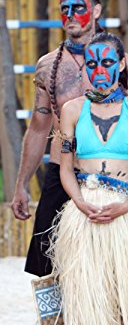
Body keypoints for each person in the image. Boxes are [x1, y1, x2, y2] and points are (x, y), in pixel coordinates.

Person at [11, 0, 104, 276]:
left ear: (97, 10)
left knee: (107, 260)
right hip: (59, 170)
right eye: (65, 9)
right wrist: (21, 184)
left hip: (109, 169)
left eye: (79, 7)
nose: (71, 14)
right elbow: (39, 128)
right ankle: (54, 322)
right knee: (47, 264)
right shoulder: (48, 65)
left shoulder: (119, 61)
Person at [51, 32, 128, 324]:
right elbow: (65, 168)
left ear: (121, 64)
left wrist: (124, 206)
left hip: (124, 210)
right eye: (92, 64)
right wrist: (81, 203)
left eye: (107, 62)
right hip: (85, 212)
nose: (99, 71)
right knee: (89, 300)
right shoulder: (72, 110)